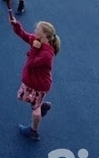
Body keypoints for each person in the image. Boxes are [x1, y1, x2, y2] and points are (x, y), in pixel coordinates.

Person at [8, 8, 60, 141]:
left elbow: (32, 63)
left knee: (35, 108)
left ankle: (33, 131)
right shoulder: (38, 40)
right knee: (23, 96)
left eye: (37, 29)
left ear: (44, 35)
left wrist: (34, 50)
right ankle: (42, 105)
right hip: (32, 81)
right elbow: (24, 35)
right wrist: (16, 25)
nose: (35, 31)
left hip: (38, 85)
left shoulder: (47, 54)